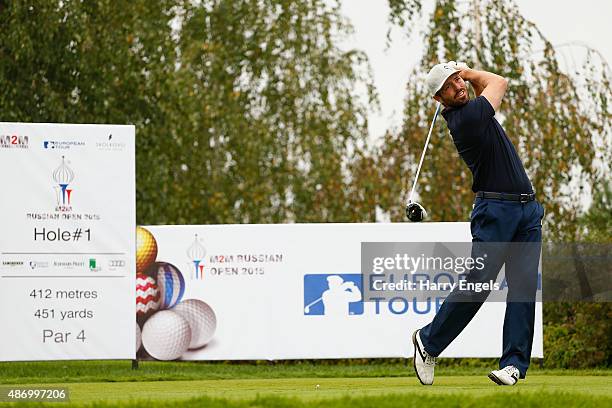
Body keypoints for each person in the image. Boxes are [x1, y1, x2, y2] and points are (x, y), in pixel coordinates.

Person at [412, 62, 544, 386]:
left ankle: (513, 364)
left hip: (527, 209)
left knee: (524, 288)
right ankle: (428, 343)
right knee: (478, 284)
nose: (458, 86)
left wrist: (461, 75)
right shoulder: (463, 119)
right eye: (450, 86)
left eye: (457, 80)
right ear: (439, 99)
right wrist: (469, 71)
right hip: (495, 210)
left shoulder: (474, 110)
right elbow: (499, 82)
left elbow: (491, 88)